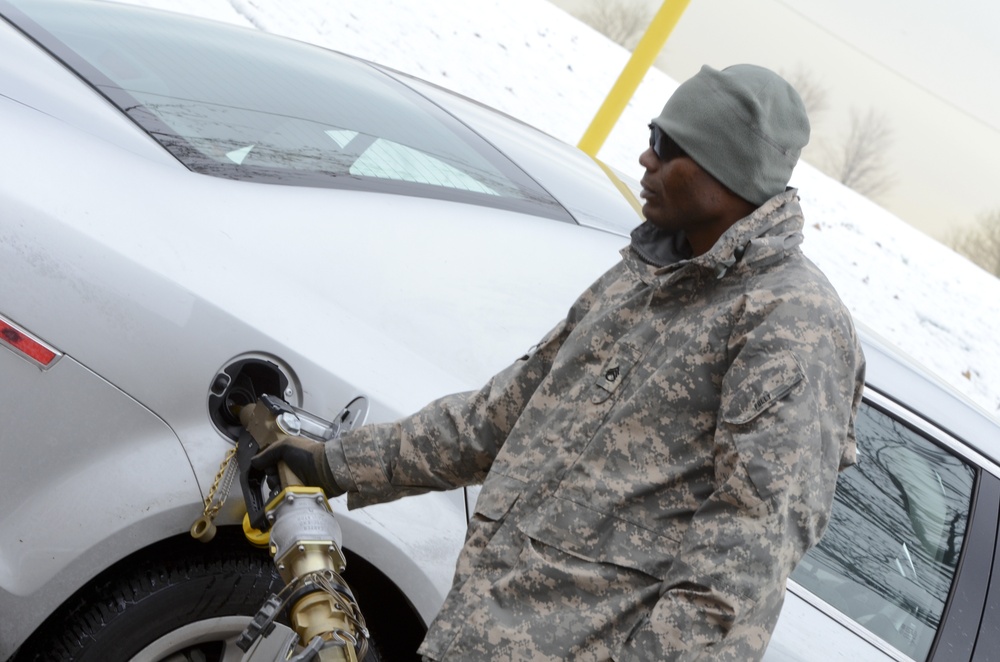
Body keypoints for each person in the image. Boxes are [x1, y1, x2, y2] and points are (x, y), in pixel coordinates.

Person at [253, 64, 866, 661]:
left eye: (665, 145)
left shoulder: (792, 323)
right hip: (473, 636)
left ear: (724, 169)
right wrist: (336, 463)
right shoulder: (643, 280)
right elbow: (500, 415)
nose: (645, 160)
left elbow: (739, 569)